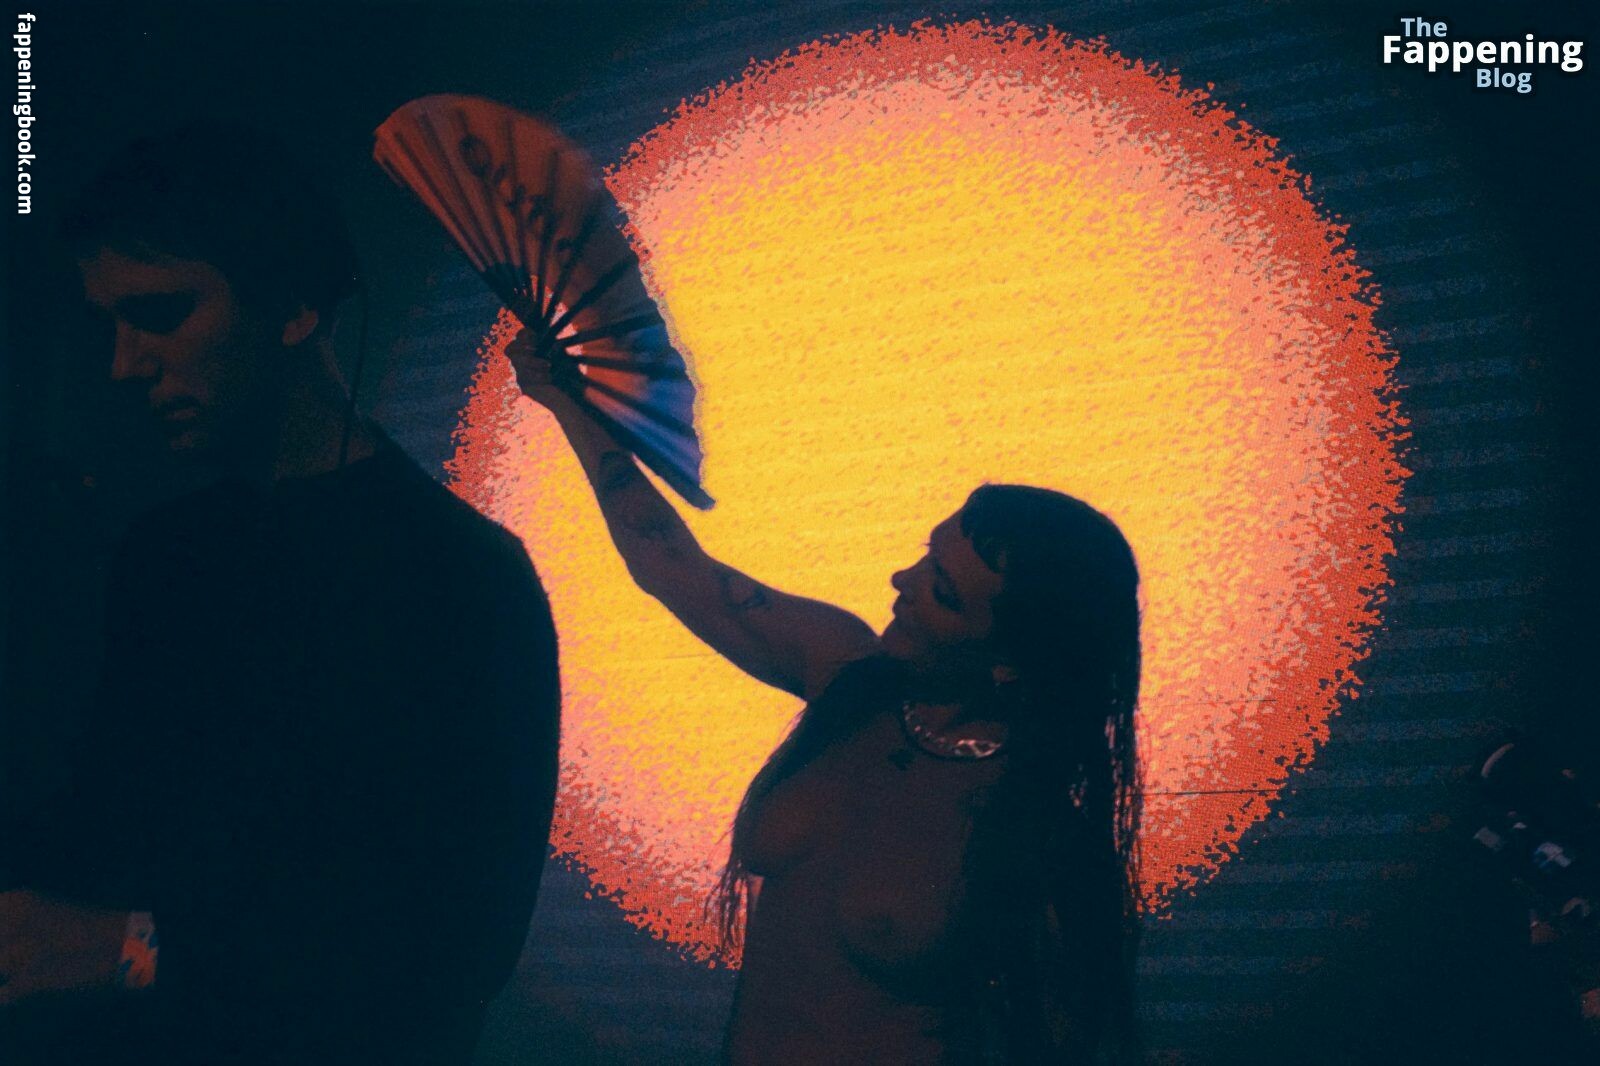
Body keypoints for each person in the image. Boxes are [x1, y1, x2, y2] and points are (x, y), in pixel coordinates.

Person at [0, 122, 562, 1065]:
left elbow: (459, 948)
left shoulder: (461, 577)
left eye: (161, 312)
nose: (125, 362)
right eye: (111, 324)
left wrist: (130, 950)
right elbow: (101, 833)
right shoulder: (163, 553)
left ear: (295, 305)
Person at [509, 333, 1143, 1063]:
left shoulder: (1034, 829)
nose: (902, 583)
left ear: (1011, 665)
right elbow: (666, 557)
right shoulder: (846, 674)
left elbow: (1067, 1042)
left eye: (942, 591)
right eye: (927, 555)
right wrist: (567, 401)